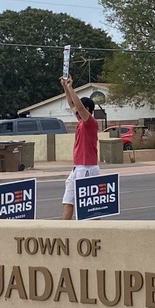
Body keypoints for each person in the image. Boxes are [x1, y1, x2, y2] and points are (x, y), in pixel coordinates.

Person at [60, 75, 100, 220]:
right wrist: (65, 87)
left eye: (79, 107)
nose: (75, 109)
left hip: (88, 168)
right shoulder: (80, 122)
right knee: (68, 200)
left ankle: (93, 231)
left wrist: (71, 87)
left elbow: (79, 107)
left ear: (87, 109)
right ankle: (63, 231)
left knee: (89, 207)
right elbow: (72, 104)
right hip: (77, 167)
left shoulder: (90, 122)